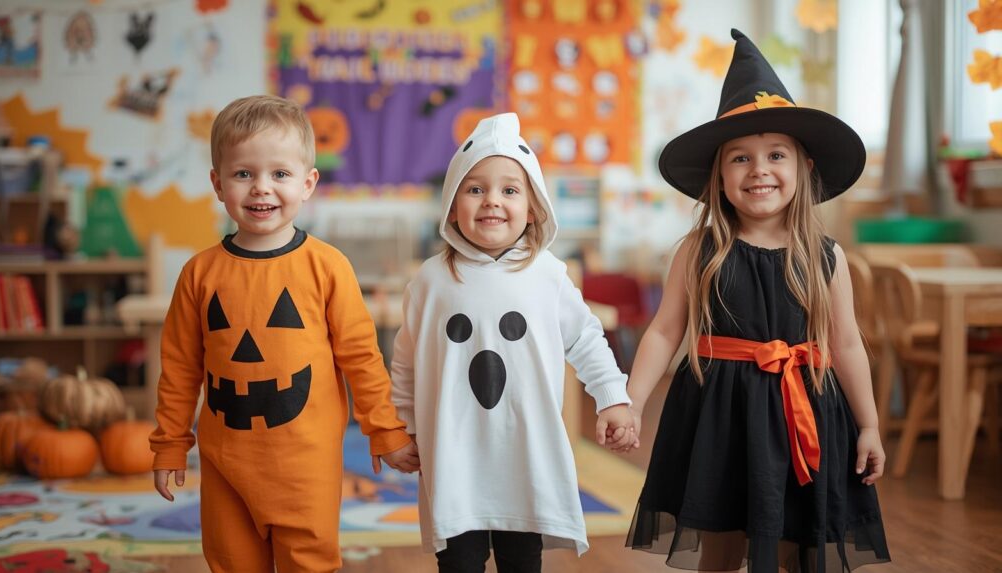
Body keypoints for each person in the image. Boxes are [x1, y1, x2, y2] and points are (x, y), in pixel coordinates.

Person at [623, 30, 891, 572]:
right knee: (720, 542)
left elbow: (846, 344)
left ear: (805, 168)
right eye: (740, 159)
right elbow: (663, 331)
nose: (759, 170)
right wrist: (631, 400)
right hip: (720, 420)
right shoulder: (700, 252)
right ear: (719, 178)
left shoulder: (826, 258)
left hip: (807, 413)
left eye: (776, 155)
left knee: (798, 542)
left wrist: (869, 425)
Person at [148, 95, 419, 573]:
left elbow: (361, 358)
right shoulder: (199, 273)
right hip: (225, 461)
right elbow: (180, 367)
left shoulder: (327, 267)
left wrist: (385, 431)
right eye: (243, 174)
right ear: (218, 183)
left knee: (309, 563)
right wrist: (170, 441)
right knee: (231, 562)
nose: (261, 189)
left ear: (308, 183)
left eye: (279, 174)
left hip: (305, 464)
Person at [390, 112, 638, 572]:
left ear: (533, 206)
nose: (492, 201)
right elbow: (407, 362)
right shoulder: (430, 281)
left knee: (522, 557)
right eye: (475, 188)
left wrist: (611, 398)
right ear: (452, 203)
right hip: (453, 452)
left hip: (524, 450)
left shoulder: (546, 275)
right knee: (459, 560)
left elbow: (586, 338)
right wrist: (401, 424)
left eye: (509, 189)